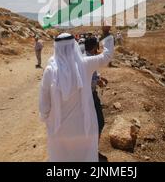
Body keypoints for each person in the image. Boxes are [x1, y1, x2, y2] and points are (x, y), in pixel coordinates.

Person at [39, 26, 114, 162]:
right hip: (83, 127)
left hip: (59, 128)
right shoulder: (85, 64)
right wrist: (106, 34)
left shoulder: (50, 70)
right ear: (74, 45)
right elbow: (107, 56)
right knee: (83, 156)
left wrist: (45, 117)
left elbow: (44, 101)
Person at [84, 37, 108, 138]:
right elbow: (85, 80)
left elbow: (92, 74)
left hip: (89, 95)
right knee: (99, 122)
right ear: (94, 47)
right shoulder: (88, 59)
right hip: (90, 96)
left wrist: (99, 77)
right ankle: (93, 148)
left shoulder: (86, 57)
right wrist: (97, 82)